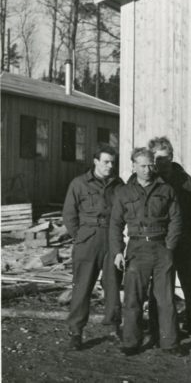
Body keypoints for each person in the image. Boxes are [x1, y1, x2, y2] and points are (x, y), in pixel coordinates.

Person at [110, 148, 183, 356]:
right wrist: (117, 251)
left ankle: (169, 343)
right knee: (133, 298)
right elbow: (115, 224)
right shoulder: (123, 192)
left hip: (161, 248)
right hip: (137, 248)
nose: (147, 170)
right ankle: (131, 342)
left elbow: (176, 219)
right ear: (133, 165)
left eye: (150, 165)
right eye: (142, 165)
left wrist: (169, 247)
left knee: (166, 298)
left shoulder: (166, 189)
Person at [63, 144, 123, 350]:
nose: (110, 166)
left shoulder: (118, 185)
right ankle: (76, 332)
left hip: (112, 239)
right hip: (87, 240)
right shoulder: (79, 184)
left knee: (113, 285)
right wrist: (79, 236)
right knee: (82, 287)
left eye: (112, 162)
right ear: (95, 161)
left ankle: (114, 329)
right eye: (106, 162)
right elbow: (69, 215)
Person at [147, 136, 191, 345]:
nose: (160, 163)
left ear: (171, 157)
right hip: (160, 244)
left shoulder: (184, 180)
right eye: (156, 158)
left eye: (164, 158)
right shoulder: (150, 180)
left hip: (185, 243)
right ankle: (158, 330)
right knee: (162, 288)